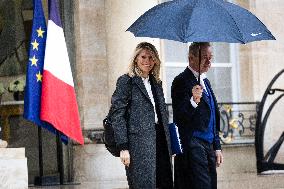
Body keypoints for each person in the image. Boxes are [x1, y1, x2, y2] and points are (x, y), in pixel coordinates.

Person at [111, 42, 173, 189]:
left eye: (151, 57)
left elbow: (162, 114)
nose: (147, 61)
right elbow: (117, 115)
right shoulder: (126, 81)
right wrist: (123, 147)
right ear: (136, 59)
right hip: (138, 146)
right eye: (143, 57)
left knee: (164, 183)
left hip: (160, 141)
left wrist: (170, 143)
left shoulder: (156, 83)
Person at [171, 42, 224, 189]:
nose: (209, 62)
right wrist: (193, 101)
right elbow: (180, 117)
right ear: (191, 58)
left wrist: (217, 147)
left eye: (210, 57)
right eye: (204, 58)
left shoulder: (205, 81)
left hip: (208, 146)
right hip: (193, 144)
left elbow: (213, 115)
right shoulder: (180, 81)